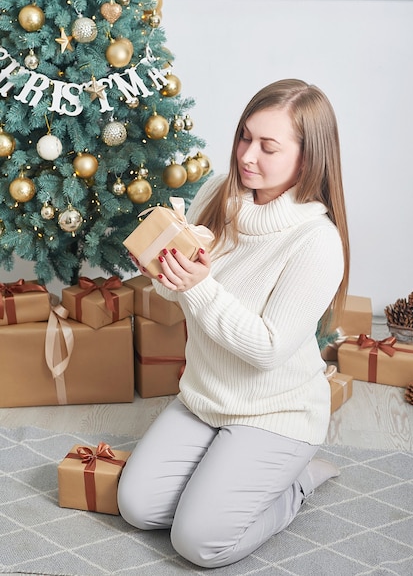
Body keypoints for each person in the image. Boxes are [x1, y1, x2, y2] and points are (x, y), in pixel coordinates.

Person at [117, 78, 350, 568]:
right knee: (138, 507)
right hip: (205, 396)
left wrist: (199, 285)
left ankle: (298, 480)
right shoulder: (217, 193)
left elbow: (267, 348)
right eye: (245, 137)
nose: (247, 155)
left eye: (268, 147)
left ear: (307, 159)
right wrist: (164, 271)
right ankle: (228, 470)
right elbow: (180, 294)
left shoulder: (316, 241)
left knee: (199, 543)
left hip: (275, 412)